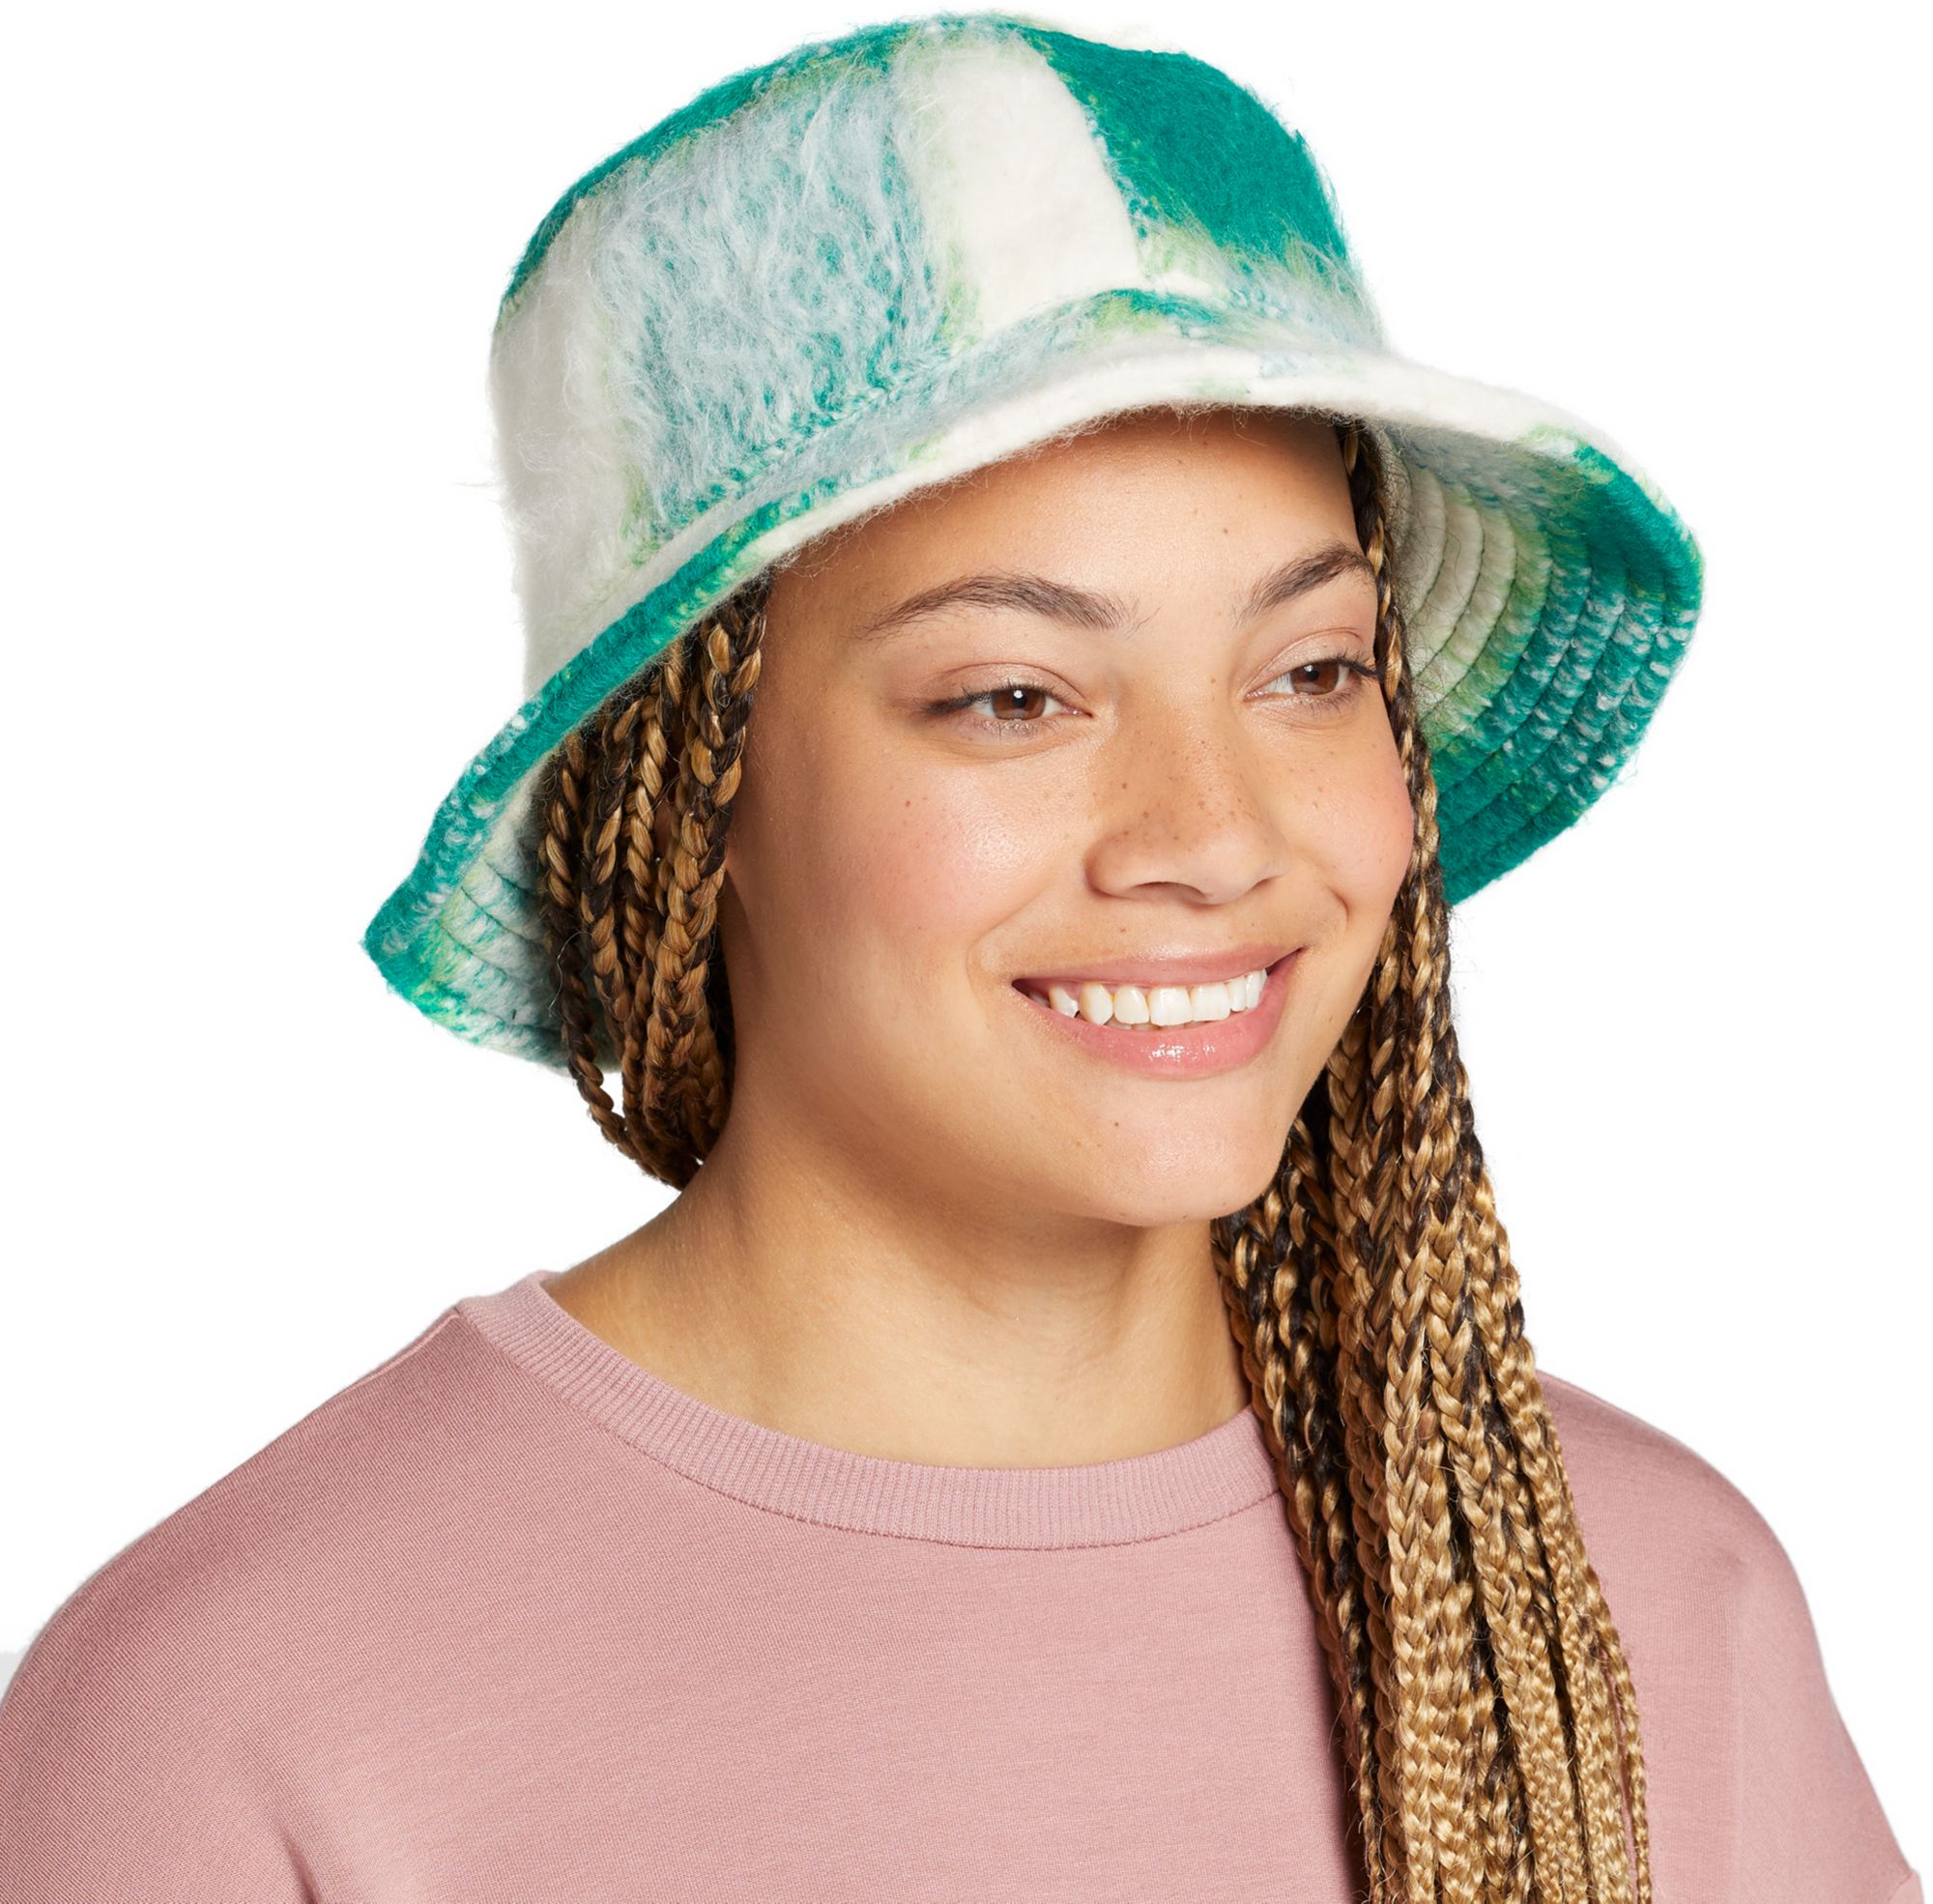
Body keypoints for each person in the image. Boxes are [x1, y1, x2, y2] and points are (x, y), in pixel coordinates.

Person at [0, 13, 1919, 1902]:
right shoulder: (246, 1717)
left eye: (1312, 669)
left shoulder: (1638, 1612)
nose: (1211, 835)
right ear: (690, 797)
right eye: (1013, 694)